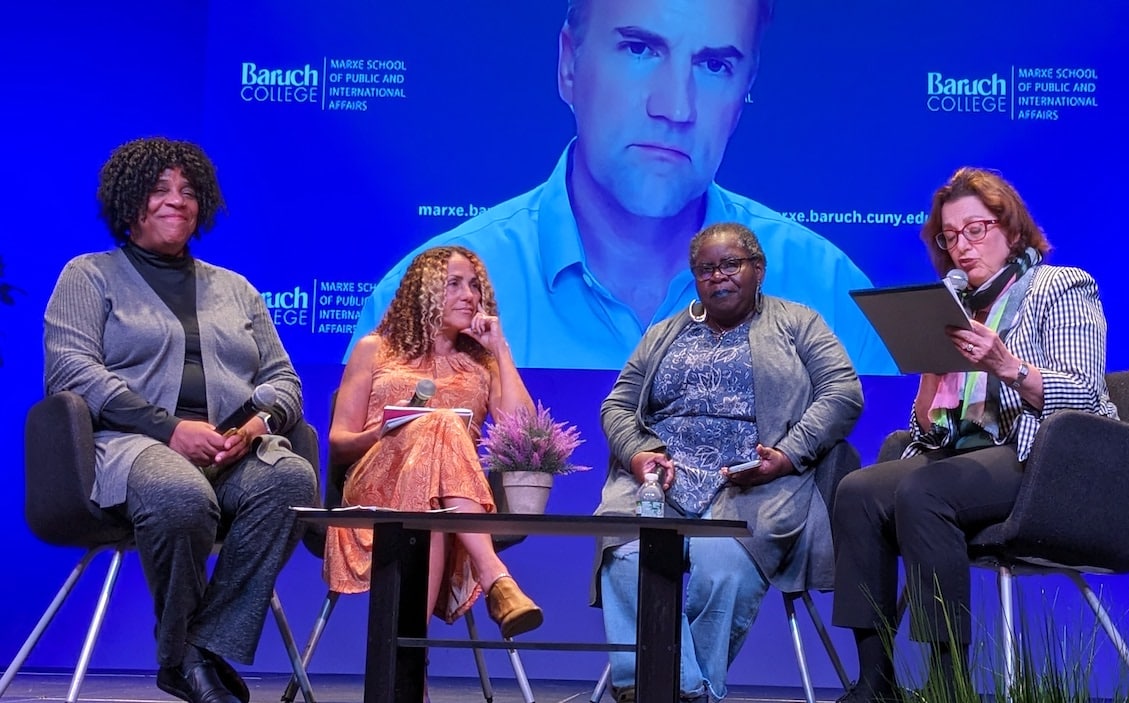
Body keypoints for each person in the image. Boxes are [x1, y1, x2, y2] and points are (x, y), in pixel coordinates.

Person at [347, 0, 895, 375]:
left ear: (745, 89)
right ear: (569, 65)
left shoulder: (831, 295)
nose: (675, 107)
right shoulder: (426, 288)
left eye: (713, 65)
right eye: (640, 49)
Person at [43, 137, 318, 703]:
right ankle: (187, 657)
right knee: (180, 495)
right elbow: (71, 371)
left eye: (189, 192)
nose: (177, 201)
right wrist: (168, 429)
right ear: (129, 201)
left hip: (230, 451)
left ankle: (195, 650)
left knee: (292, 480)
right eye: (161, 189)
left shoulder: (235, 289)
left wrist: (258, 424)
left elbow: (284, 380)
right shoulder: (90, 276)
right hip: (133, 447)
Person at [829, 167, 1119, 702]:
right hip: (957, 454)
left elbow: (1085, 394)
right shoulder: (952, 305)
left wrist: (1006, 365)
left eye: (976, 229)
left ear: (1011, 229)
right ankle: (875, 680)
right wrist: (930, 373)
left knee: (925, 491)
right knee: (858, 491)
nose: (962, 247)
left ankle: (948, 681)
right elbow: (926, 429)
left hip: (1033, 455)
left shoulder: (1062, 286)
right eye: (950, 235)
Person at [591, 222, 864, 702]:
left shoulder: (798, 322)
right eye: (705, 269)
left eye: (731, 265)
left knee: (722, 571)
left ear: (758, 269)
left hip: (753, 488)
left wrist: (788, 454)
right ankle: (676, 691)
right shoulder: (663, 333)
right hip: (662, 484)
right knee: (627, 560)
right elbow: (616, 406)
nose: (719, 277)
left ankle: (666, 691)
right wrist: (638, 455)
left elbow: (843, 392)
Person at [324, 246, 543, 648]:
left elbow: (524, 433)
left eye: (475, 286)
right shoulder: (374, 350)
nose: (470, 296)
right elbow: (339, 443)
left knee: (432, 510)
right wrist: (391, 429)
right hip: (375, 486)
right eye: (454, 285)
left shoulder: (483, 363)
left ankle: (406, 670)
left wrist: (500, 350)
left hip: (450, 500)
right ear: (423, 292)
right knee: (436, 424)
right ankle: (494, 574)